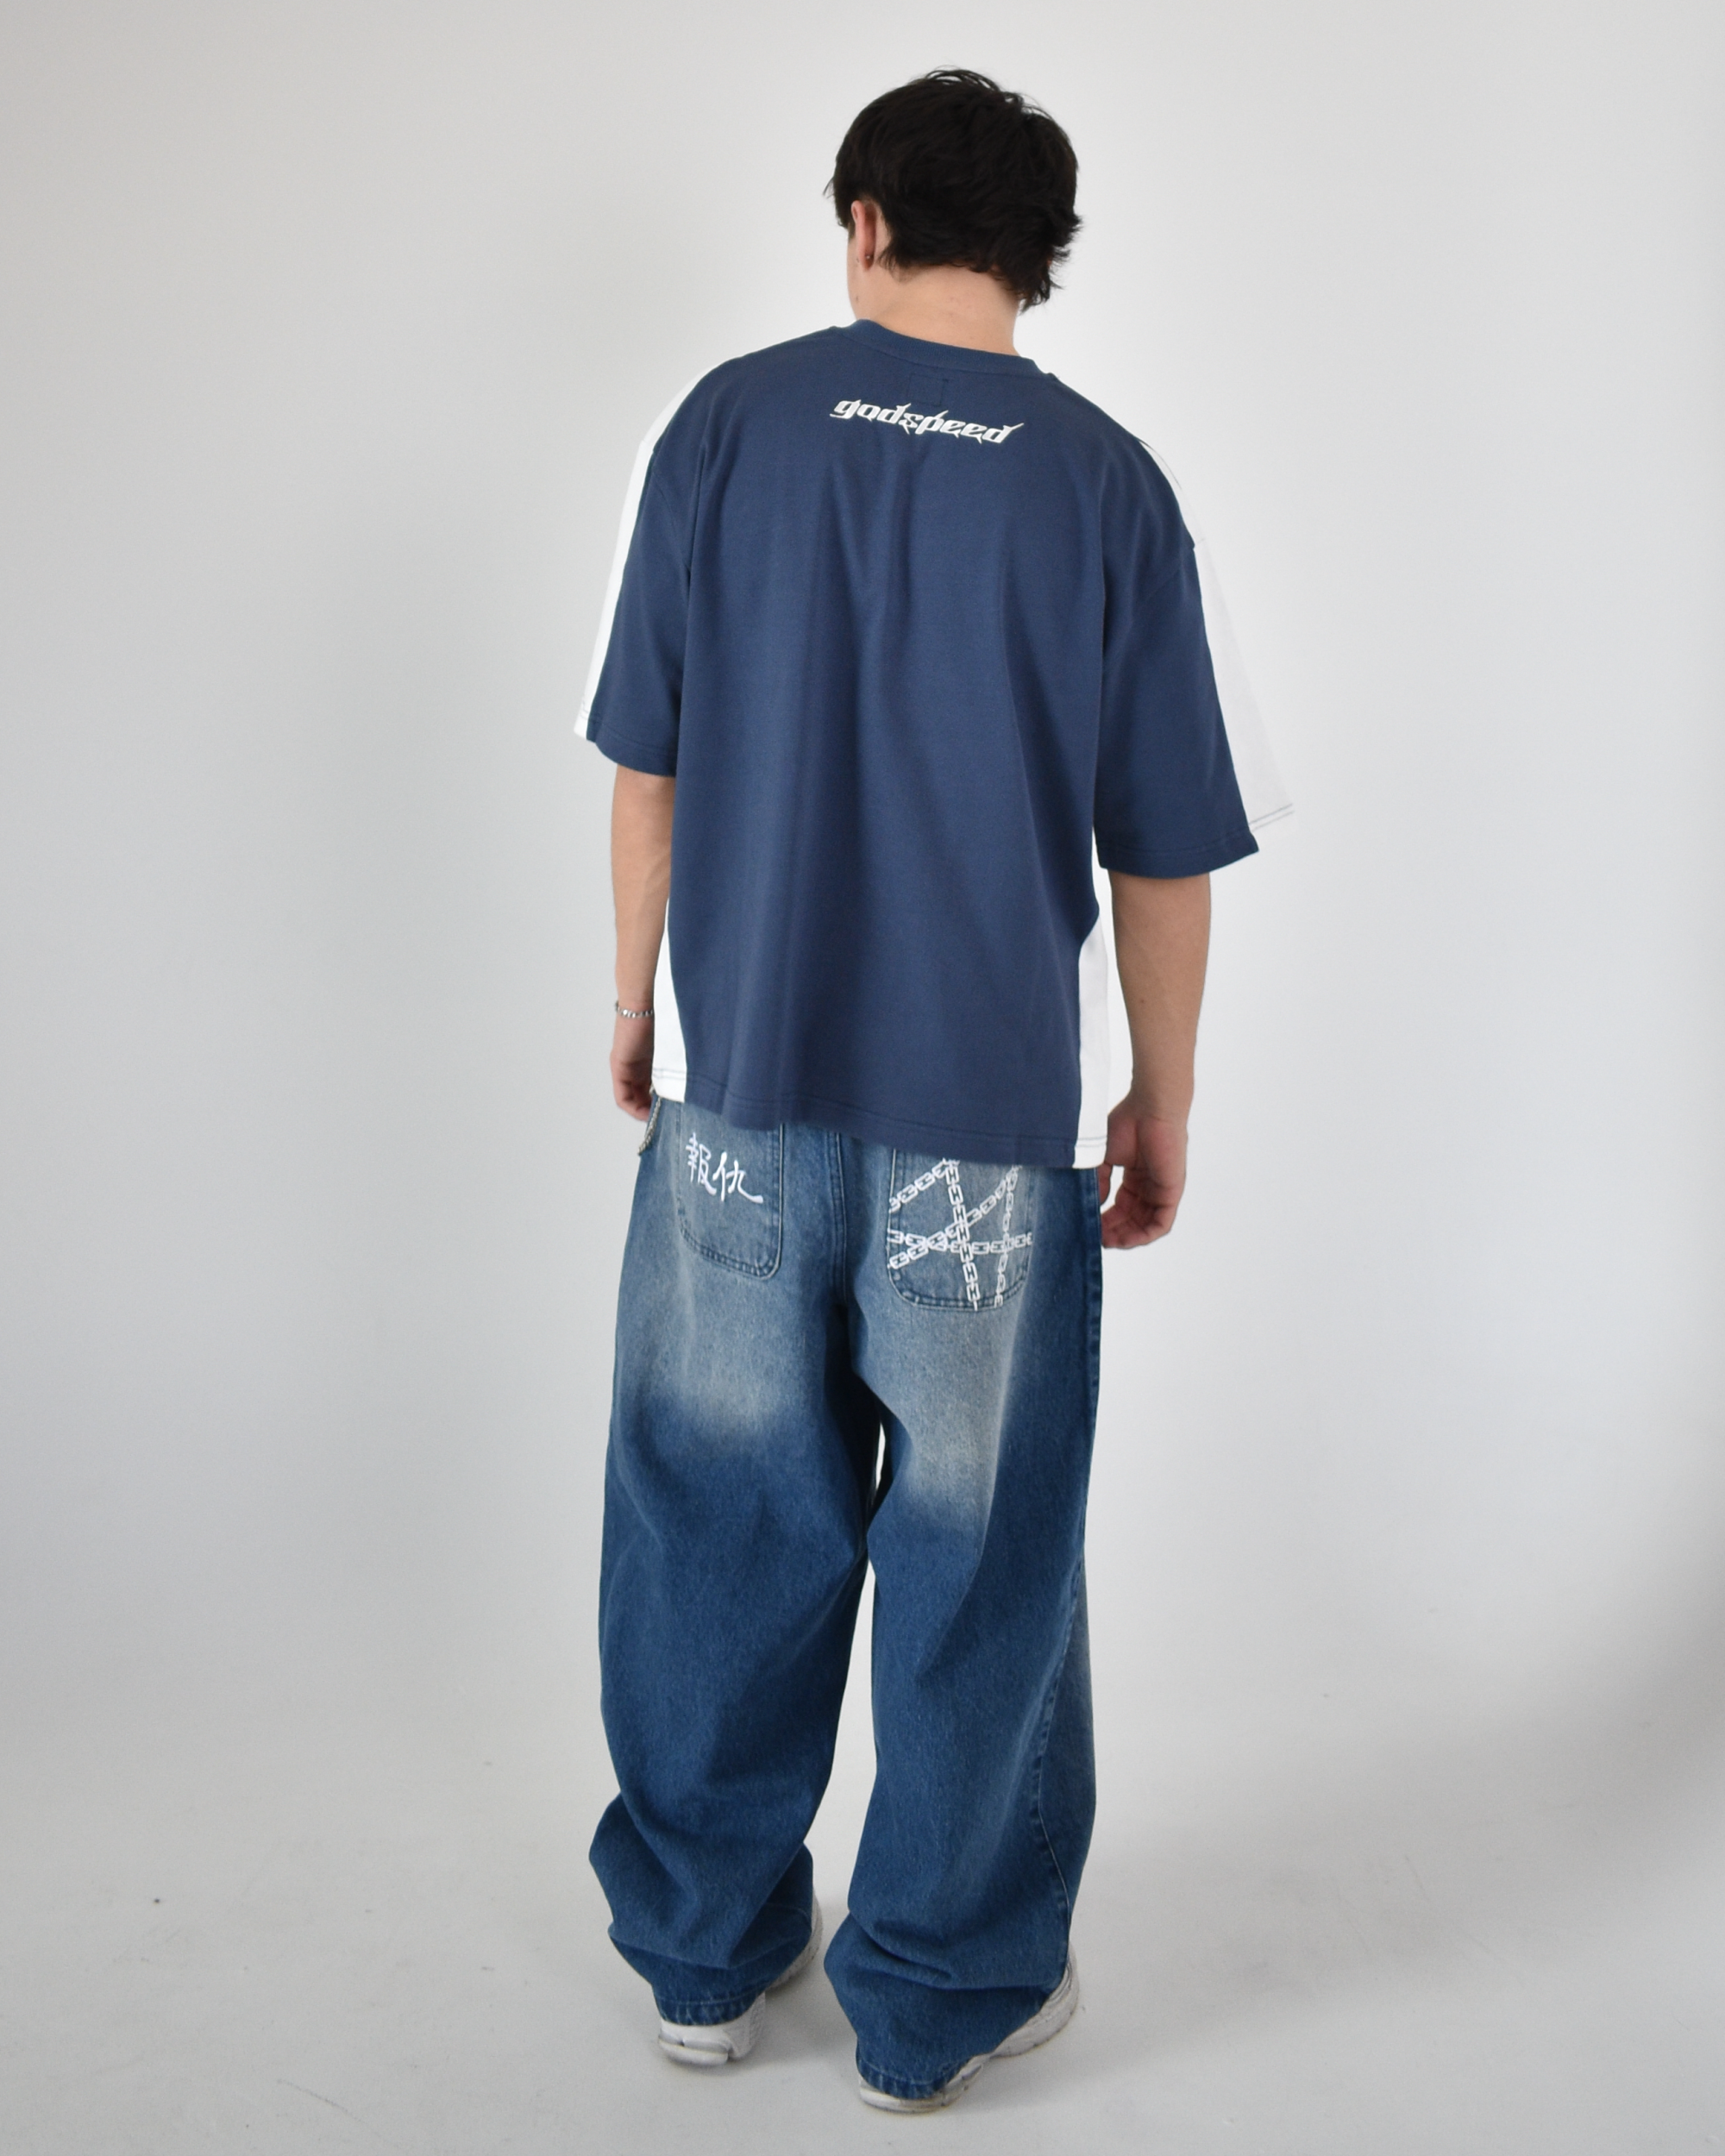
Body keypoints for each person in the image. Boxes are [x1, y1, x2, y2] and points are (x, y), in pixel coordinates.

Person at [578, 68, 1287, 2113]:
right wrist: (1158, 1094)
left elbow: (649, 762)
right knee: (981, 1555)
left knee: (717, 1517)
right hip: (987, 1131)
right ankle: (936, 1998)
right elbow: (1164, 850)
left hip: (738, 1094)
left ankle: (704, 1959)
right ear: (1037, 257)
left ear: (865, 224)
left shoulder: (727, 426)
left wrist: (637, 1000)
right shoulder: (1105, 486)